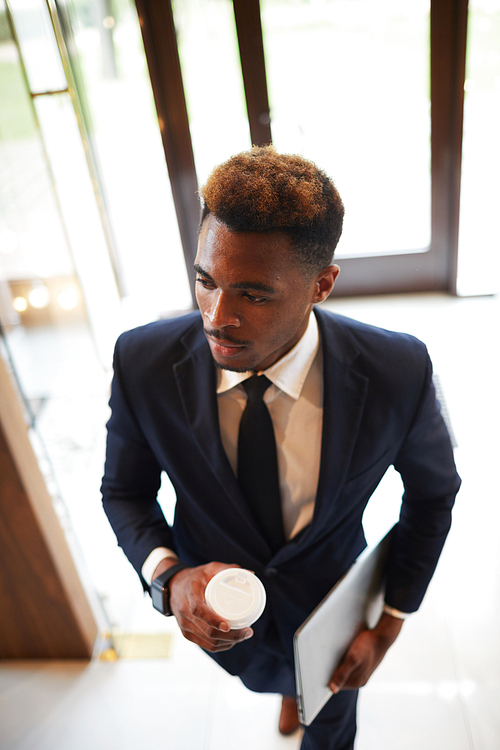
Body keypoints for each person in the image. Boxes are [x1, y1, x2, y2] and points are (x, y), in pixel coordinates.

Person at [101, 146, 460, 749]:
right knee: (283, 687)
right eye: (205, 281)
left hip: (334, 615)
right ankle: (288, 695)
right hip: (223, 614)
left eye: (253, 295)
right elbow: (123, 492)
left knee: (330, 723)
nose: (217, 317)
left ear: (321, 285)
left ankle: (303, 699)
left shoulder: (399, 368)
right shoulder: (141, 361)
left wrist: (391, 622)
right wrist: (170, 578)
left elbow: (433, 494)